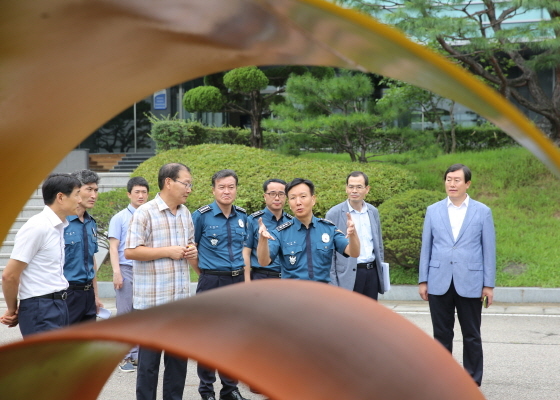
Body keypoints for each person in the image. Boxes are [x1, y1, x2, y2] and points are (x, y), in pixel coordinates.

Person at [125, 162, 198, 400]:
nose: (189, 189)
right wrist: (168, 251)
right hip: (152, 304)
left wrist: (191, 250)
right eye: (186, 183)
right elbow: (131, 251)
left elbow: (188, 245)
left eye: (190, 185)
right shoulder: (144, 212)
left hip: (179, 303)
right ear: (169, 182)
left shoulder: (185, 213)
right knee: (148, 366)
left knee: (177, 365)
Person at [418, 163, 496, 387]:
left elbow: (488, 250)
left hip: (470, 280)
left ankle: (472, 380)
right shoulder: (433, 210)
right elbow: (427, 246)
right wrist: (424, 279)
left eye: (457, 180)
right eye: (448, 179)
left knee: (471, 334)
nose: (452, 184)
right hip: (438, 279)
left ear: (467, 184)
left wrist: (488, 285)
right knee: (441, 334)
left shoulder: (482, 211)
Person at [192, 169, 249, 400]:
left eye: (231, 187)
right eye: (222, 187)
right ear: (213, 189)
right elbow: (191, 251)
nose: (227, 191)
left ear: (236, 189)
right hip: (211, 280)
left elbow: (245, 251)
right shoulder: (201, 216)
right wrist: (205, 273)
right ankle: (207, 391)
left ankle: (230, 389)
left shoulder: (243, 216)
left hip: (236, 280)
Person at [1, 173, 81, 336]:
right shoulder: (37, 227)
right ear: (61, 197)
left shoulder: (58, 227)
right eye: (77, 194)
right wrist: (12, 309)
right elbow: (9, 275)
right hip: (40, 308)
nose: (80, 200)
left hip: (59, 304)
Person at [257, 178, 360, 282]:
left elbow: (353, 252)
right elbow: (264, 262)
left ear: (313, 199)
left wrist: (353, 234)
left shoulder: (328, 228)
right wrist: (262, 240)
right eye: (293, 198)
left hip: (321, 293)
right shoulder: (280, 233)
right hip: (292, 294)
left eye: (303, 196)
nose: (298, 202)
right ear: (289, 202)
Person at [108, 176, 149, 372]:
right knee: (126, 314)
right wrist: (117, 272)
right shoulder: (119, 218)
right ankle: (126, 357)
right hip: (126, 269)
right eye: (137, 192)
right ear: (129, 194)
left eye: (144, 192)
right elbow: (114, 247)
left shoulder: (151, 215)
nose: (141, 196)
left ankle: (139, 355)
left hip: (146, 270)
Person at [325, 171, 386, 300]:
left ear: (367, 189)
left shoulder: (373, 211)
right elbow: (329, 254)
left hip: (371, 272)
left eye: (359, 187)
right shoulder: (334, 213)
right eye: (351, 186)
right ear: (346, 188)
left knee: (369, 316)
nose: (354, 190)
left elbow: (378, 244)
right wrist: (333, 284)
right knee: (349, 317)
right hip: (347, 275)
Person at [63, 169, 104, 324]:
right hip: (66, 294)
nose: (94, 195)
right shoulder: (61, 223)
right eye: (89, 190)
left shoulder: (90, 222)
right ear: (76, 191)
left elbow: (91, 261)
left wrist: (96, 295)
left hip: (87, 294)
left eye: (96, 190)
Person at [243, 179, 292, 281]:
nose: (277, 198)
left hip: (287, 279)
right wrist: (247, 283)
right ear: (265, 196)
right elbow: (245, 253)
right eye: (272, 194)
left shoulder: (292, 222)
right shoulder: (253, 220)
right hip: (262, 277)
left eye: (281, 194)